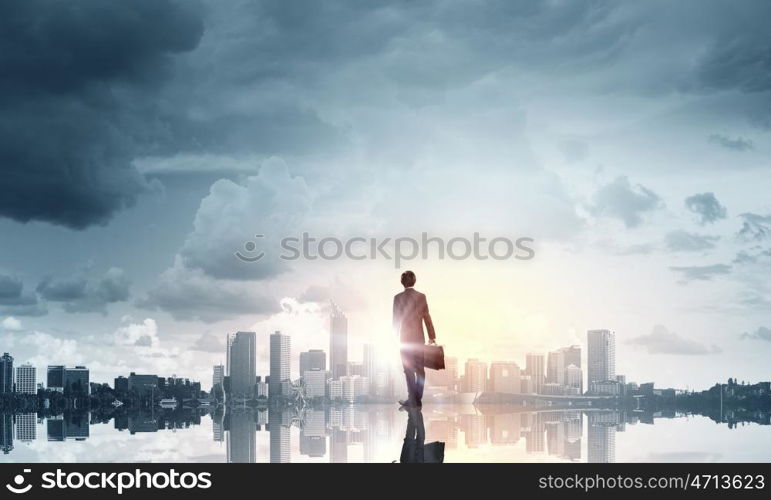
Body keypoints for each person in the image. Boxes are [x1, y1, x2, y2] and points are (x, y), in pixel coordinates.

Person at [392, 270, 436, 408]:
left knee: (409, 370)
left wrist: (394, 337)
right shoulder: (421, 297)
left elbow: (396, 321)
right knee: (420, 370)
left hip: (405, 341)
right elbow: (427, 317)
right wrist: (432, 336)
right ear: (414, 281)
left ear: (402, 282)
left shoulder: (398, 298)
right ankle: (417, 399)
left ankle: (413, 399)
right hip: (419, 340)